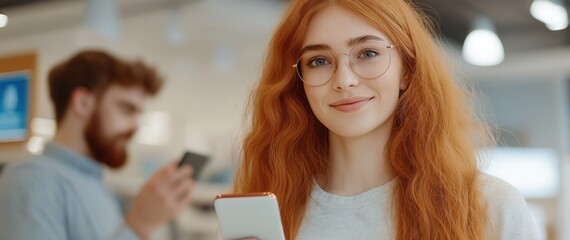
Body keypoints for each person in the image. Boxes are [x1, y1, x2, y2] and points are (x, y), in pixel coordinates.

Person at [233, 0, 537, 239]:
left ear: (406, 69)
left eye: (367, 53)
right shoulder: (263, 215)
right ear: (299, 81)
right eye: (319, 61)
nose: (345, 80)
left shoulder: (490, 207)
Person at [0, 50, 195, 240]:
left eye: (138, 114)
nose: (135, 126)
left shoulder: (96, 184)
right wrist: (140, 226)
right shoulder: (31, 181)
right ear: (83, 103)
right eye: (126, 109)